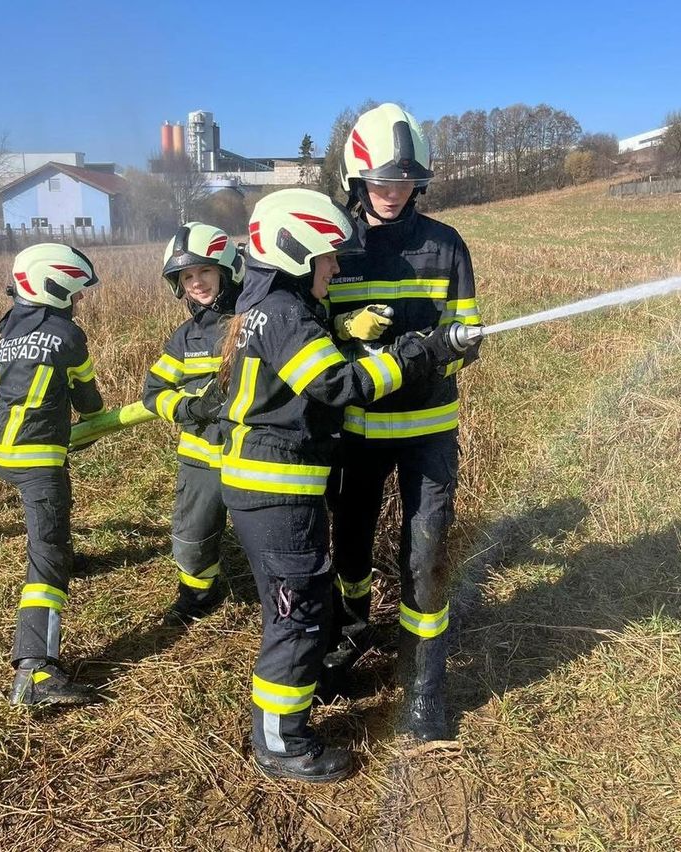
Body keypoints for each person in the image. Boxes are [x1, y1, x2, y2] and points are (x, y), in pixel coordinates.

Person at [217, 187, 474, 782]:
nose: (336, 268)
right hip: (276, 488)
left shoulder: (273, 306)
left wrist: (344, 329)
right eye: (327, 257)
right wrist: (416, 353)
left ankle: (288, 722)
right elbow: (339, 386)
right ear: (295, 255)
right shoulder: (284, 314)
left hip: (275, 487)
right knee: (297, 613)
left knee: (301, 602)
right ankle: (282, 743)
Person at [323, 103, 483, 741]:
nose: (394, 192)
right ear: (357, 179)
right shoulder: (334, 246)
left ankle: (424, 690)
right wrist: (343, 329)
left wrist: (451, 346)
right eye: (382, 180)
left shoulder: (446, 245)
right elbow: (308, 333)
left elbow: (469, 333)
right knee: (350, 545)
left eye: (406, 181)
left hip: (427, 432)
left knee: (426, 556)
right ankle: (352, 636)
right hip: (355, 433)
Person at [0, 243, 105, 707]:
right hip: (37, 458)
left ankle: (66, 557)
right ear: (54, 288)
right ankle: (35, 671)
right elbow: (89, 402)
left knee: (54, 527)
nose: (79, 299)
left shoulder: (6, 332)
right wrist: (90, 424)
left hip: (0, 448)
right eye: (74, 291)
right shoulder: (67, 335)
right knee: (46, 554)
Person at [142, 222, 243, 625]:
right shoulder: (186, 338)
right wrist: (190, 409)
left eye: (205, 271)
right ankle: (198, 595)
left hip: (253, 456)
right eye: (186, 276)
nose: (196, 283)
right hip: (201, 458)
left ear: (227, 270)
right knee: (193, 536)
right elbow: (154, 393)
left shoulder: (254, 320)